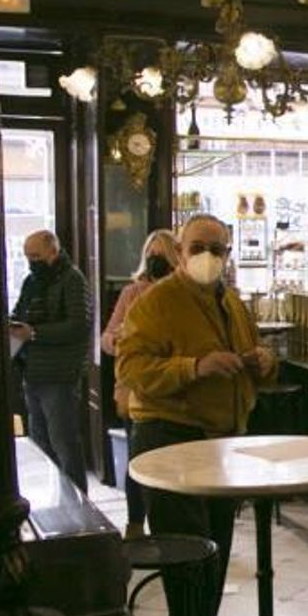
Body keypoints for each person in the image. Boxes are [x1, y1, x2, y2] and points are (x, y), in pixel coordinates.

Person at [116, 214, 277, 616]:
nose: (209, 257)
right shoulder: (156, 302)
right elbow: (131, 368)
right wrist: (193, 367)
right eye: (198, 247)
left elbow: (251, 359)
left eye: (218, 249)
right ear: (180, 252)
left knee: (217, 549)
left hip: (221, 442)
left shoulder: (232, 303)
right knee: (189, 555)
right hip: (171, 439)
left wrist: (262, 362)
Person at [100, 228, 178, 539]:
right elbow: (106, 339)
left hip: (172, 389)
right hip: (134, 389)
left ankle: (170, 526)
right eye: (151, 255)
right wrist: (121, 339)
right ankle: (135, 524)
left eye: (162, 254)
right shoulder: (132, 293)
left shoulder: (183, 295)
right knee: (137, 458)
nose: (156, 260)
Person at [11, 229, 93, 494]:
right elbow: (20, 311)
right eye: (27, 256)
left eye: (36, 256)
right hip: (32, 371)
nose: (31, 261)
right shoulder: (31, 281)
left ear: (53, 252)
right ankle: (56, 499)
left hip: (59, 374)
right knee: (40, 444)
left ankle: (79, 503)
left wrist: (34, 333)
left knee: (65, 443)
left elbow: (79, 326)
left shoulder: (72, 280)